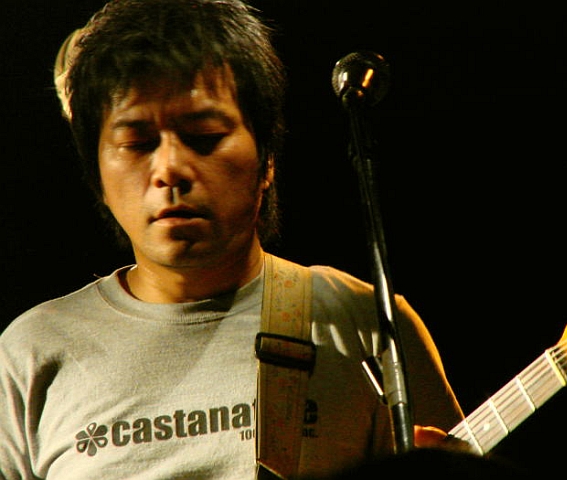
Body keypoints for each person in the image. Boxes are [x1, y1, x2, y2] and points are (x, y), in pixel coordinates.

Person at [0, 1, 469, 479]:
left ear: (267, 160)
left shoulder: (367, 322)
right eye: (137, 144)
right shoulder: (30, 354)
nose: (169, 169)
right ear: (96, 176)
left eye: (203, 135)